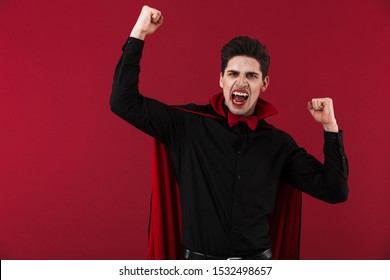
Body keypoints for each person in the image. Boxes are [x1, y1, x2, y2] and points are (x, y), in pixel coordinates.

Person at [110, 5, 349, 260]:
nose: (241, 82)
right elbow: (123, 102)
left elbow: (334, 191)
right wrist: (140, 32)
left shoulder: (279, 143)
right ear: (221, 79)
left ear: (264, 83)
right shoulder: (187, 125)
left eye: (251, 75)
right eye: (233, 74)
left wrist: (330, 127)